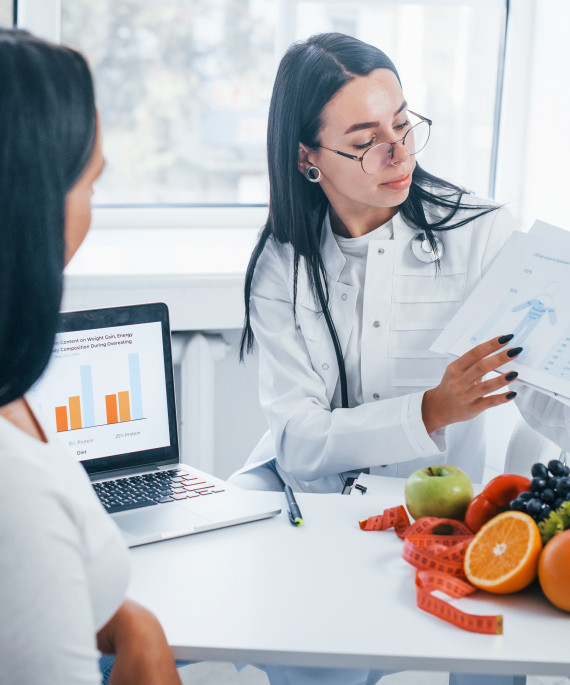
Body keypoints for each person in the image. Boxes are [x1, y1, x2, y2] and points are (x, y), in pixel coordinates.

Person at [229, 32, 570, 685]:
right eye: (364, 140)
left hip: (447, 509)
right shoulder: (281, 262)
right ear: (308, 157)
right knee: (317, 661)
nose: (398, 152)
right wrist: (432, 408)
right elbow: (298, 443)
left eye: (404, 123)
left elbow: (544, 385)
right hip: (314, 501)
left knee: (492, 656)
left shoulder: (480, 233)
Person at [0, 29, 182, 685]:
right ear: (31, 206)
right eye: (90, 186)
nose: (90, 214)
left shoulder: (11, 390)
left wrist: (129, 619)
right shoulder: (13, 493)